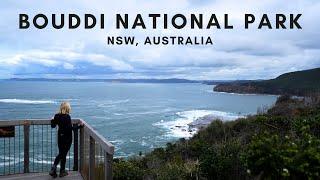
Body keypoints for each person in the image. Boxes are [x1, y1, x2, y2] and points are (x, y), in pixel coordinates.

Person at [49, 102, 83, 178]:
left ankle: (61, 171)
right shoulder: (67, 117)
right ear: (67, 108)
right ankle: (54, 168)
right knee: (62, 154)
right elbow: (70, 129)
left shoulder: (56, 116)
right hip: (67, 139)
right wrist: (80, 126)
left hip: (60, 138)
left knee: (62, 154)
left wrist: (52, 120)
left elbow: (53, 126)